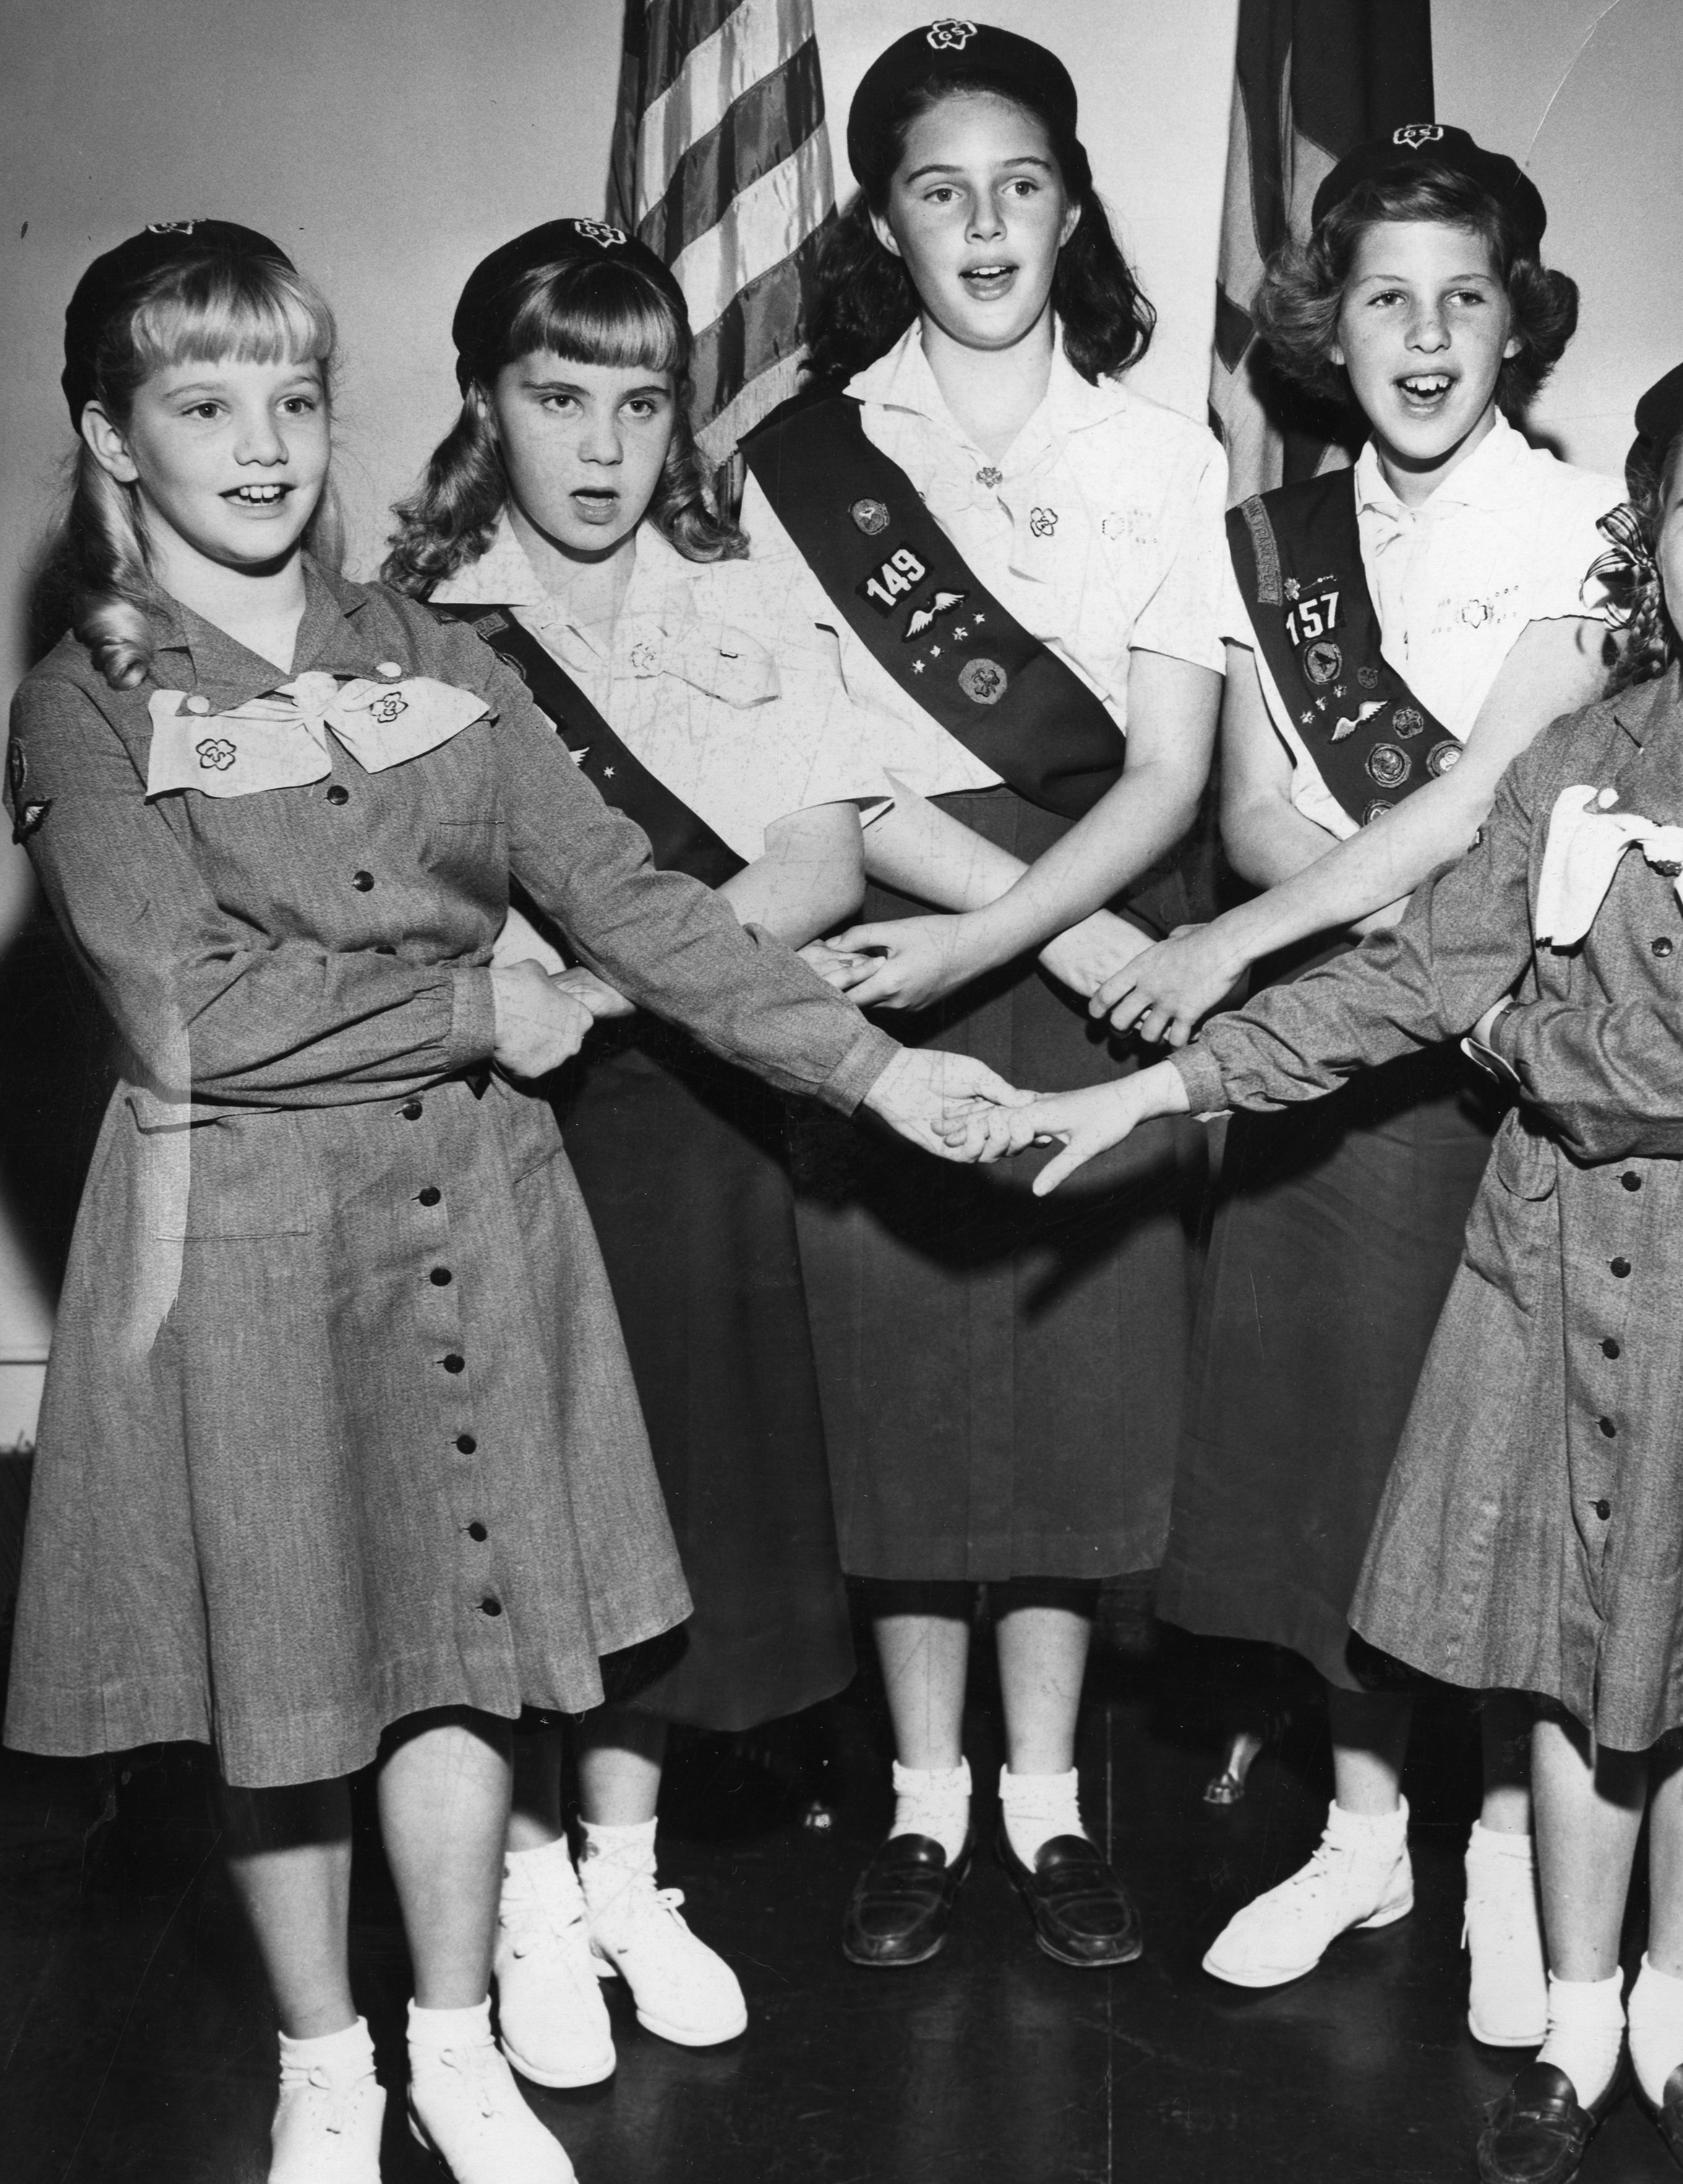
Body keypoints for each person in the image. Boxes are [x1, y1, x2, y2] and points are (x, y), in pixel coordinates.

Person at [1, 221, 1011, 2184]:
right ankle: (324, 2063)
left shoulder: (432, 654)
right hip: (247, 1240)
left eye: (294, 396)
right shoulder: (84, 706)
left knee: (465, 1638)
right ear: (111, 439)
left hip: (472, 1207)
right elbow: (179, 1005)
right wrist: (480, 995)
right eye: (203, 404)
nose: (265, 443)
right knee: (292, 1667)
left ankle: (456, 2036)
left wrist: (885, 1072)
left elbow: (631, 902)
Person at [949, 337, 1683, 2184]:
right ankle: (1578, 2022)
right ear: (1647, 540)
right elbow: (1416, 970)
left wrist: (1503, 1024)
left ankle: (1678, 2010)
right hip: (1548, 1255)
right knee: (1567, 1668)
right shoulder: (1581, 745)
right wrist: (1167, 1088)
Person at [384, 217, 933, 2091]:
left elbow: (821, 861)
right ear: (484, 404)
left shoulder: (735, 585)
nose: (605, 447)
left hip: (683, 1097)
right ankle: (528, 1890)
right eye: (558, 397)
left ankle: (625, 1872)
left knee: (666, 1501)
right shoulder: (417, 627)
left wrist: (612, 985)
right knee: (513, 1508)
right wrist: (584, 973)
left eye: (641, 398)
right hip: (490, 1123)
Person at [1099, 123, 1618, 2037]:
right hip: (1333, 1054)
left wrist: (1237, 947)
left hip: (1493, 1053)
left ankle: (1500, 1851)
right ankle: (1366, 1827)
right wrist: (1274, 921)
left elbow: (1492, 798)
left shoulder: (1581, 526)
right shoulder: (1273, 542)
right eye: (1385, 298)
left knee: (1489, 1464)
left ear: (1517, 323)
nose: (1422, 336)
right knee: (1330, 1457)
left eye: (1462, 299)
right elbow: (1243, 799)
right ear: (1325, 320)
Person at [730, 18, 1229, 1970]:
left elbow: (1178, 767)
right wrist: (1023, 929)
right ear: (885, 216)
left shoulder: (1157, 447)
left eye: (1024, 181)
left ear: (1075, 200)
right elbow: (837, 771)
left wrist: (1071, 934)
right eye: (942, 187)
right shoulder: (805, 456)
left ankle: (1048, 1795)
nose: (988, 221)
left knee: (1078, 1385)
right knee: (909, 1382)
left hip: (1107, 938)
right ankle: (926, 1801)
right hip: (910, 949)